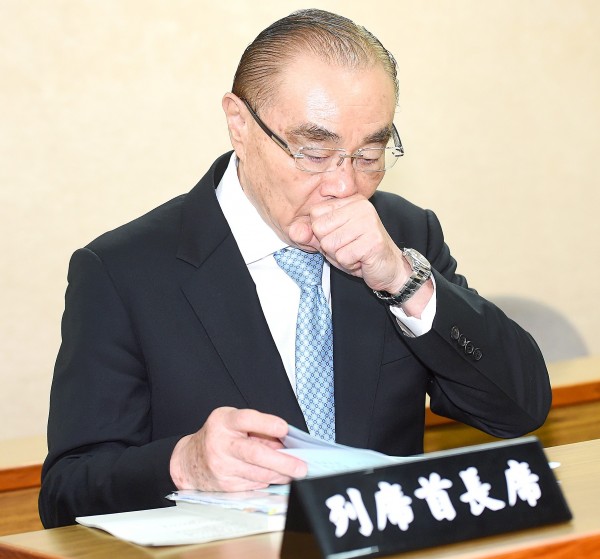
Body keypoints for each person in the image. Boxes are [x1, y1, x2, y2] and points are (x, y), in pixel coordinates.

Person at [39, 9, 551, 528]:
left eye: (369, 153)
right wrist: (182, 463)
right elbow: (66, 492)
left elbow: (519, 409)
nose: (343, 185)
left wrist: (402, 281)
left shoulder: (403, 234)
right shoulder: (122, 272)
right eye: (313, 152)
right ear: (240, 125)